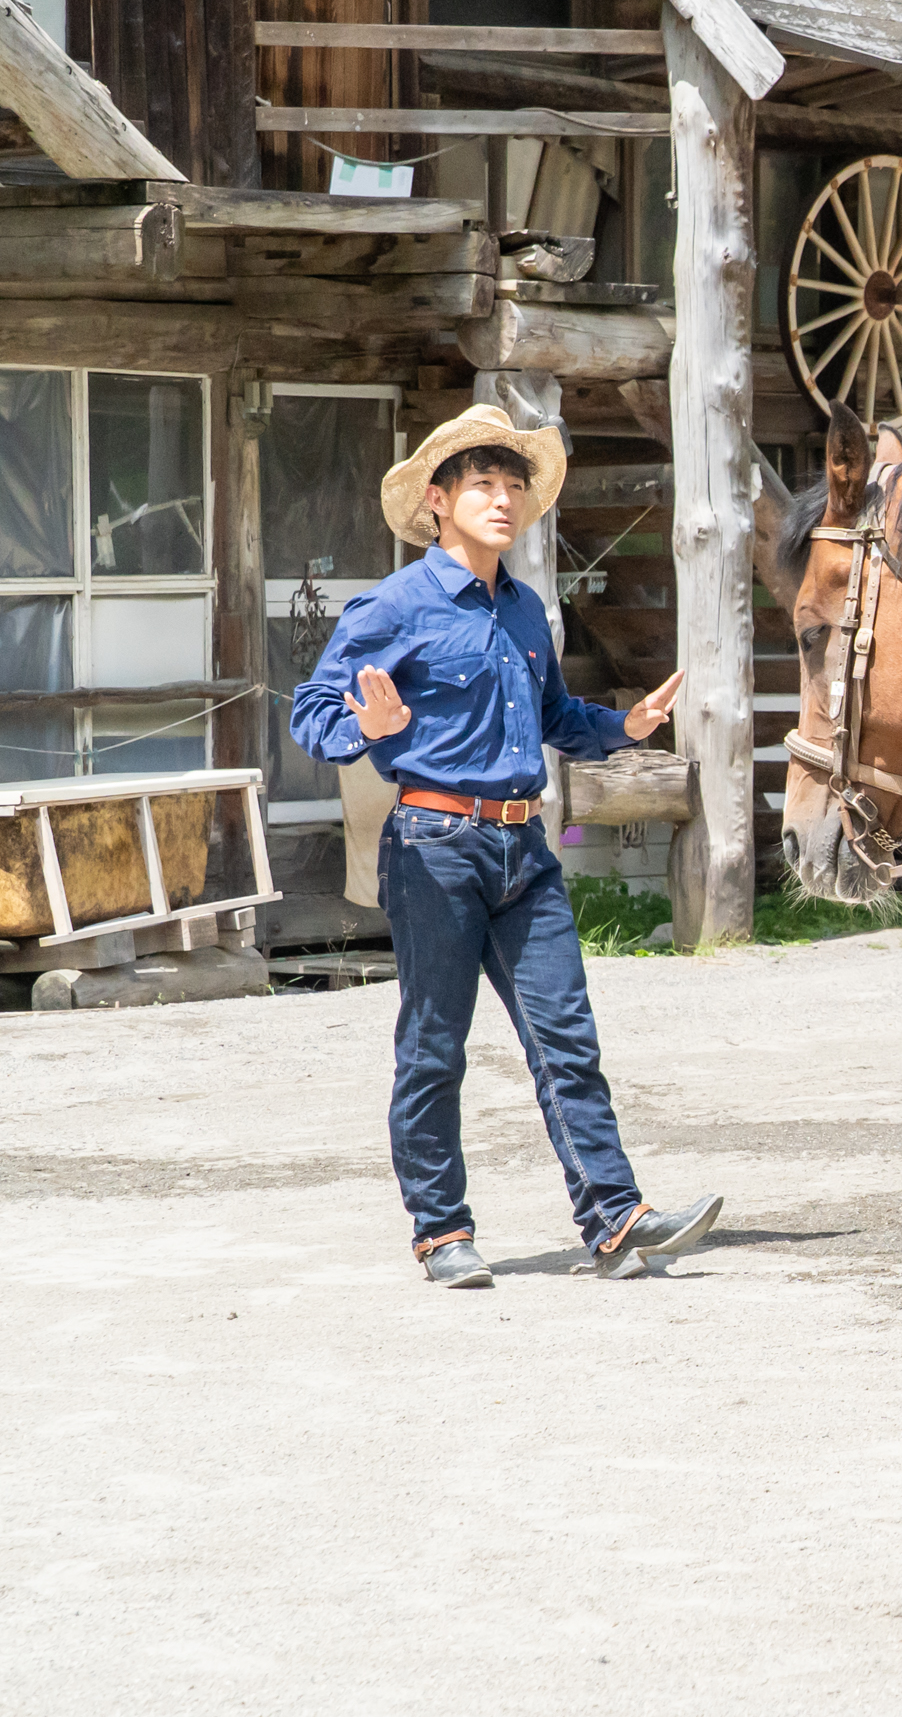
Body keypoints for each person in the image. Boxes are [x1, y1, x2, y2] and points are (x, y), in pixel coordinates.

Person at [290, 404, 721, 1289]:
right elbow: (314, 712)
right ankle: (441, 1233)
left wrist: (624, 724)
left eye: (514, 485)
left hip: (526, 851)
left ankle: (614, 1219)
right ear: (438, 503)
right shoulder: (394, 606)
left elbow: (557, 716)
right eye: (482, 484)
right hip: (434, 846)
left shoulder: (526, 610)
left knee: (567, 1038)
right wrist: (365, 726)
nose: (503, 498)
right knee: (435, 1046)